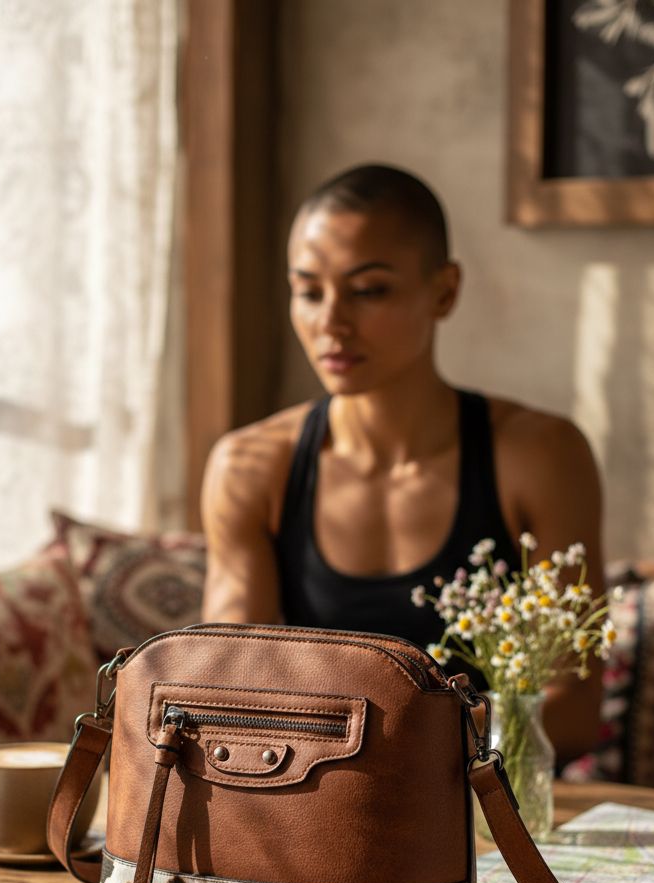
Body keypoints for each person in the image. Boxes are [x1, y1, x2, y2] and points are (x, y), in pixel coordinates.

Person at [200, 164, 603, 764]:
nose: (331, 323)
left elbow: (573, 709)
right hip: (315, 795)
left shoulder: (540, 455)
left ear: (444, 291)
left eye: (369, 290)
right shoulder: (251, 466)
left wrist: (369, 738)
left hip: (486, 803)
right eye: (309, 292)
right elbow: (228, 689)